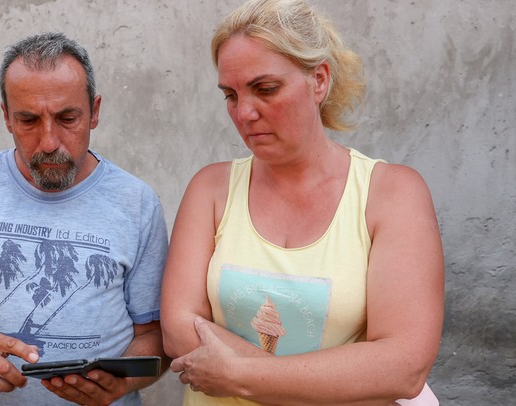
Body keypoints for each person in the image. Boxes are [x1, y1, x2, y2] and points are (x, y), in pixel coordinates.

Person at [160, 0, 444, 404]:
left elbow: (403, 365)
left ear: (319, 81)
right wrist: (340, 384)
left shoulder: (390, 194)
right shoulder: (211, 189)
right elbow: (178, 330)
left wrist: (238, 375)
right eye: (231, 95)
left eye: (265, 89)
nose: (244, 113)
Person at [0, 32, 170, 406]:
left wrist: (120, 383)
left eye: (67, 118)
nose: (48, 142)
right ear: (6, 117)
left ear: (94, 112)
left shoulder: (137, 203)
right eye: (28, 120)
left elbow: (157, 336)